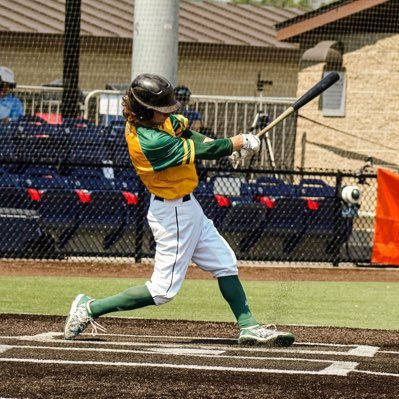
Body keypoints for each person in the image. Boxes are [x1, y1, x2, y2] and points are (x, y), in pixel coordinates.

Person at [63, 73, 295, 347]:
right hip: (172, 213)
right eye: (160, 110)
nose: (165, 114)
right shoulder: (149, 142)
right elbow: (197, 149)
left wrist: (223, 147)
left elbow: (188, 133)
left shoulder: (153, 120)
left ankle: (248, 326)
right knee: (162, 291)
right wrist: (237, 143)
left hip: (188, 207)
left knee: (224, 262)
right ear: (143, 110)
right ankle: (89, 308)